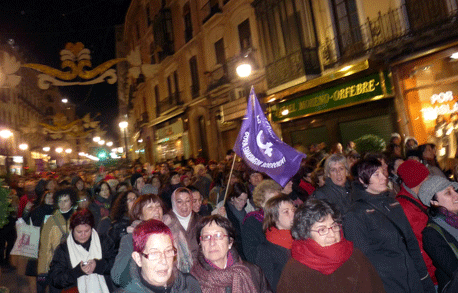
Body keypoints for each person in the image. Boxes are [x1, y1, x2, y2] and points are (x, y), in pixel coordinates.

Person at [344, 158, 435, 293]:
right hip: (388, 285)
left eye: (383, 172)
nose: (383, 178)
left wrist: (424, 277)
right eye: (376, 174)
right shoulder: (355, 214)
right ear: (362, 180)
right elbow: (362, 261)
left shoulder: (393, 204)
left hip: (413, 280)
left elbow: (411, 242)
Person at [277, 199, 385, 292]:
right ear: (306, 234)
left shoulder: (355, 256)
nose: (332, 234)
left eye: (334, 226)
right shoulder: (294, 270)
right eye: (322, 230)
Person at [191, 215, 272, 293]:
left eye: (218, 235)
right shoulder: (191, 281)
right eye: (206, 237)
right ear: (200, 245)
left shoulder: (253, 272)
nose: (212, 242)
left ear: (230, 243)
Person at [116, 219, 202, 292]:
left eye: (168, 251)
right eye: (154, 253)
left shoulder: (189, 285)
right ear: (138, 259)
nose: (164, 261)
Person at [48, 209, 115, 293]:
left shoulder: (103, 241)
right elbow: (55, 279)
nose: (83, 235)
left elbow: (115, 266)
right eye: (79, 232)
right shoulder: (63, 249)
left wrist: (98, 266)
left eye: (87, 231)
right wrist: (77, 271)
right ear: (72, 229)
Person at [396, 160, 437, 285]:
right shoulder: (406, 208)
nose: (430, 181)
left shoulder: (417, 199)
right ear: (419, 182)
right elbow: (420, 246)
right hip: (431, 276)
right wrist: (432, 277)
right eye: (427, 178)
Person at [419, 176, 458, 292]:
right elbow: (453, 270)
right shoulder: (431, 234)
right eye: (448, 193)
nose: (456, 195)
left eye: (454, 190)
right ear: (434, 202)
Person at [37, 188, 77, 291]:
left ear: (72, 201)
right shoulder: (51, 221)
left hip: (75, 265)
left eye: (65, 201)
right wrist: (42, 271)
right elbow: (45, 248)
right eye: (60, 201)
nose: (62, 204)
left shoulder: (78, 218)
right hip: (56, 267)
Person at [255, 194, 295, 291]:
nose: (293, 214)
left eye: (293, 210)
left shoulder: (301, 240)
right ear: (274, 218)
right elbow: (267, 286)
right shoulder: (265, 250)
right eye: (286, 212)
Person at [241, 179, 281, 263]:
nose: (276, 204)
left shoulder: (283, 218)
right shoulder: (252, 221)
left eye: (277, 200)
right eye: (271, 201)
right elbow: (251, 254)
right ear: (261, 203)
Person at [213, 182, 256, 259]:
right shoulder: (222, 208)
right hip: (232, 252)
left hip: (248, 250)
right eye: (239, 200)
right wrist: (219, 217)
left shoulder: (249, 209)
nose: (243, 203)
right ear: (232, 198)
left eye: (245, 200)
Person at [162, 187, 200, 261]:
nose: (184, 205)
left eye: (188, 201)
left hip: (199, 268)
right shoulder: (166, 222)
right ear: (173, 202)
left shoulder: (200, 221)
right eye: (179, 201)